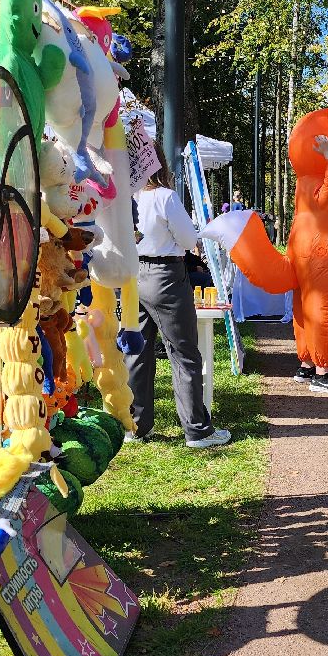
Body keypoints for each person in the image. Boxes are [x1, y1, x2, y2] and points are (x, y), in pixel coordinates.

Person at [124, 166, 231, 448]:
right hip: (165, 277)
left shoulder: (128, 195)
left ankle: (136, 425)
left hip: (132, 275)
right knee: (184, 353)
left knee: (136, 352)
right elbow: (187, 240)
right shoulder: (166, 197)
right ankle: (197, 429)